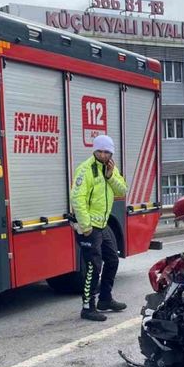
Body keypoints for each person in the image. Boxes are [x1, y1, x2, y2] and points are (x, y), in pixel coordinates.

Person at [70, 135, 128, 322]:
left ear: (111, 152)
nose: (103, 154)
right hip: (89, 227)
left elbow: (122, 190)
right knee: (93, 266)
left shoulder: (110, 167)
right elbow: (77, 199)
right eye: (99, 151)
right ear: (94, 150)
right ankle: (88, 307)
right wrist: (86, 226)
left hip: (103, 225)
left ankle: (105, 299)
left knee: (112, 260)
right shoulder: (86, 169)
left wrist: (110, 176)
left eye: (106, 151)